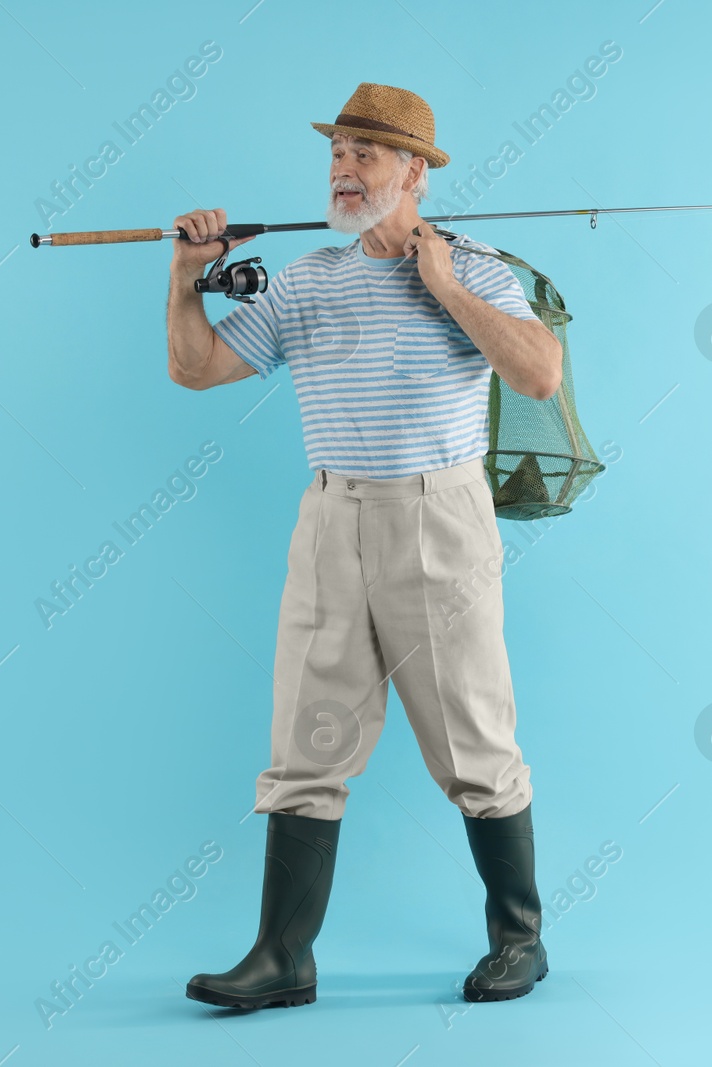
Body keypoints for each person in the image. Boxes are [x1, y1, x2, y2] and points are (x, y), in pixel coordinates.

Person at [166, 82, 562, 1010]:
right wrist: (185, 281)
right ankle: (281, 957)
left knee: (474, 734)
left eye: (366, 154)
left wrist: (447, 288)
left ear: (415, 171)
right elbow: (195, 369)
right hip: (330, 520)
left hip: (440, 517)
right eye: (337, 153)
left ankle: (522, 938)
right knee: (307, 739)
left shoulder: (477, 266)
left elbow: (540, 373)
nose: (344, 170)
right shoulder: (307, 278)